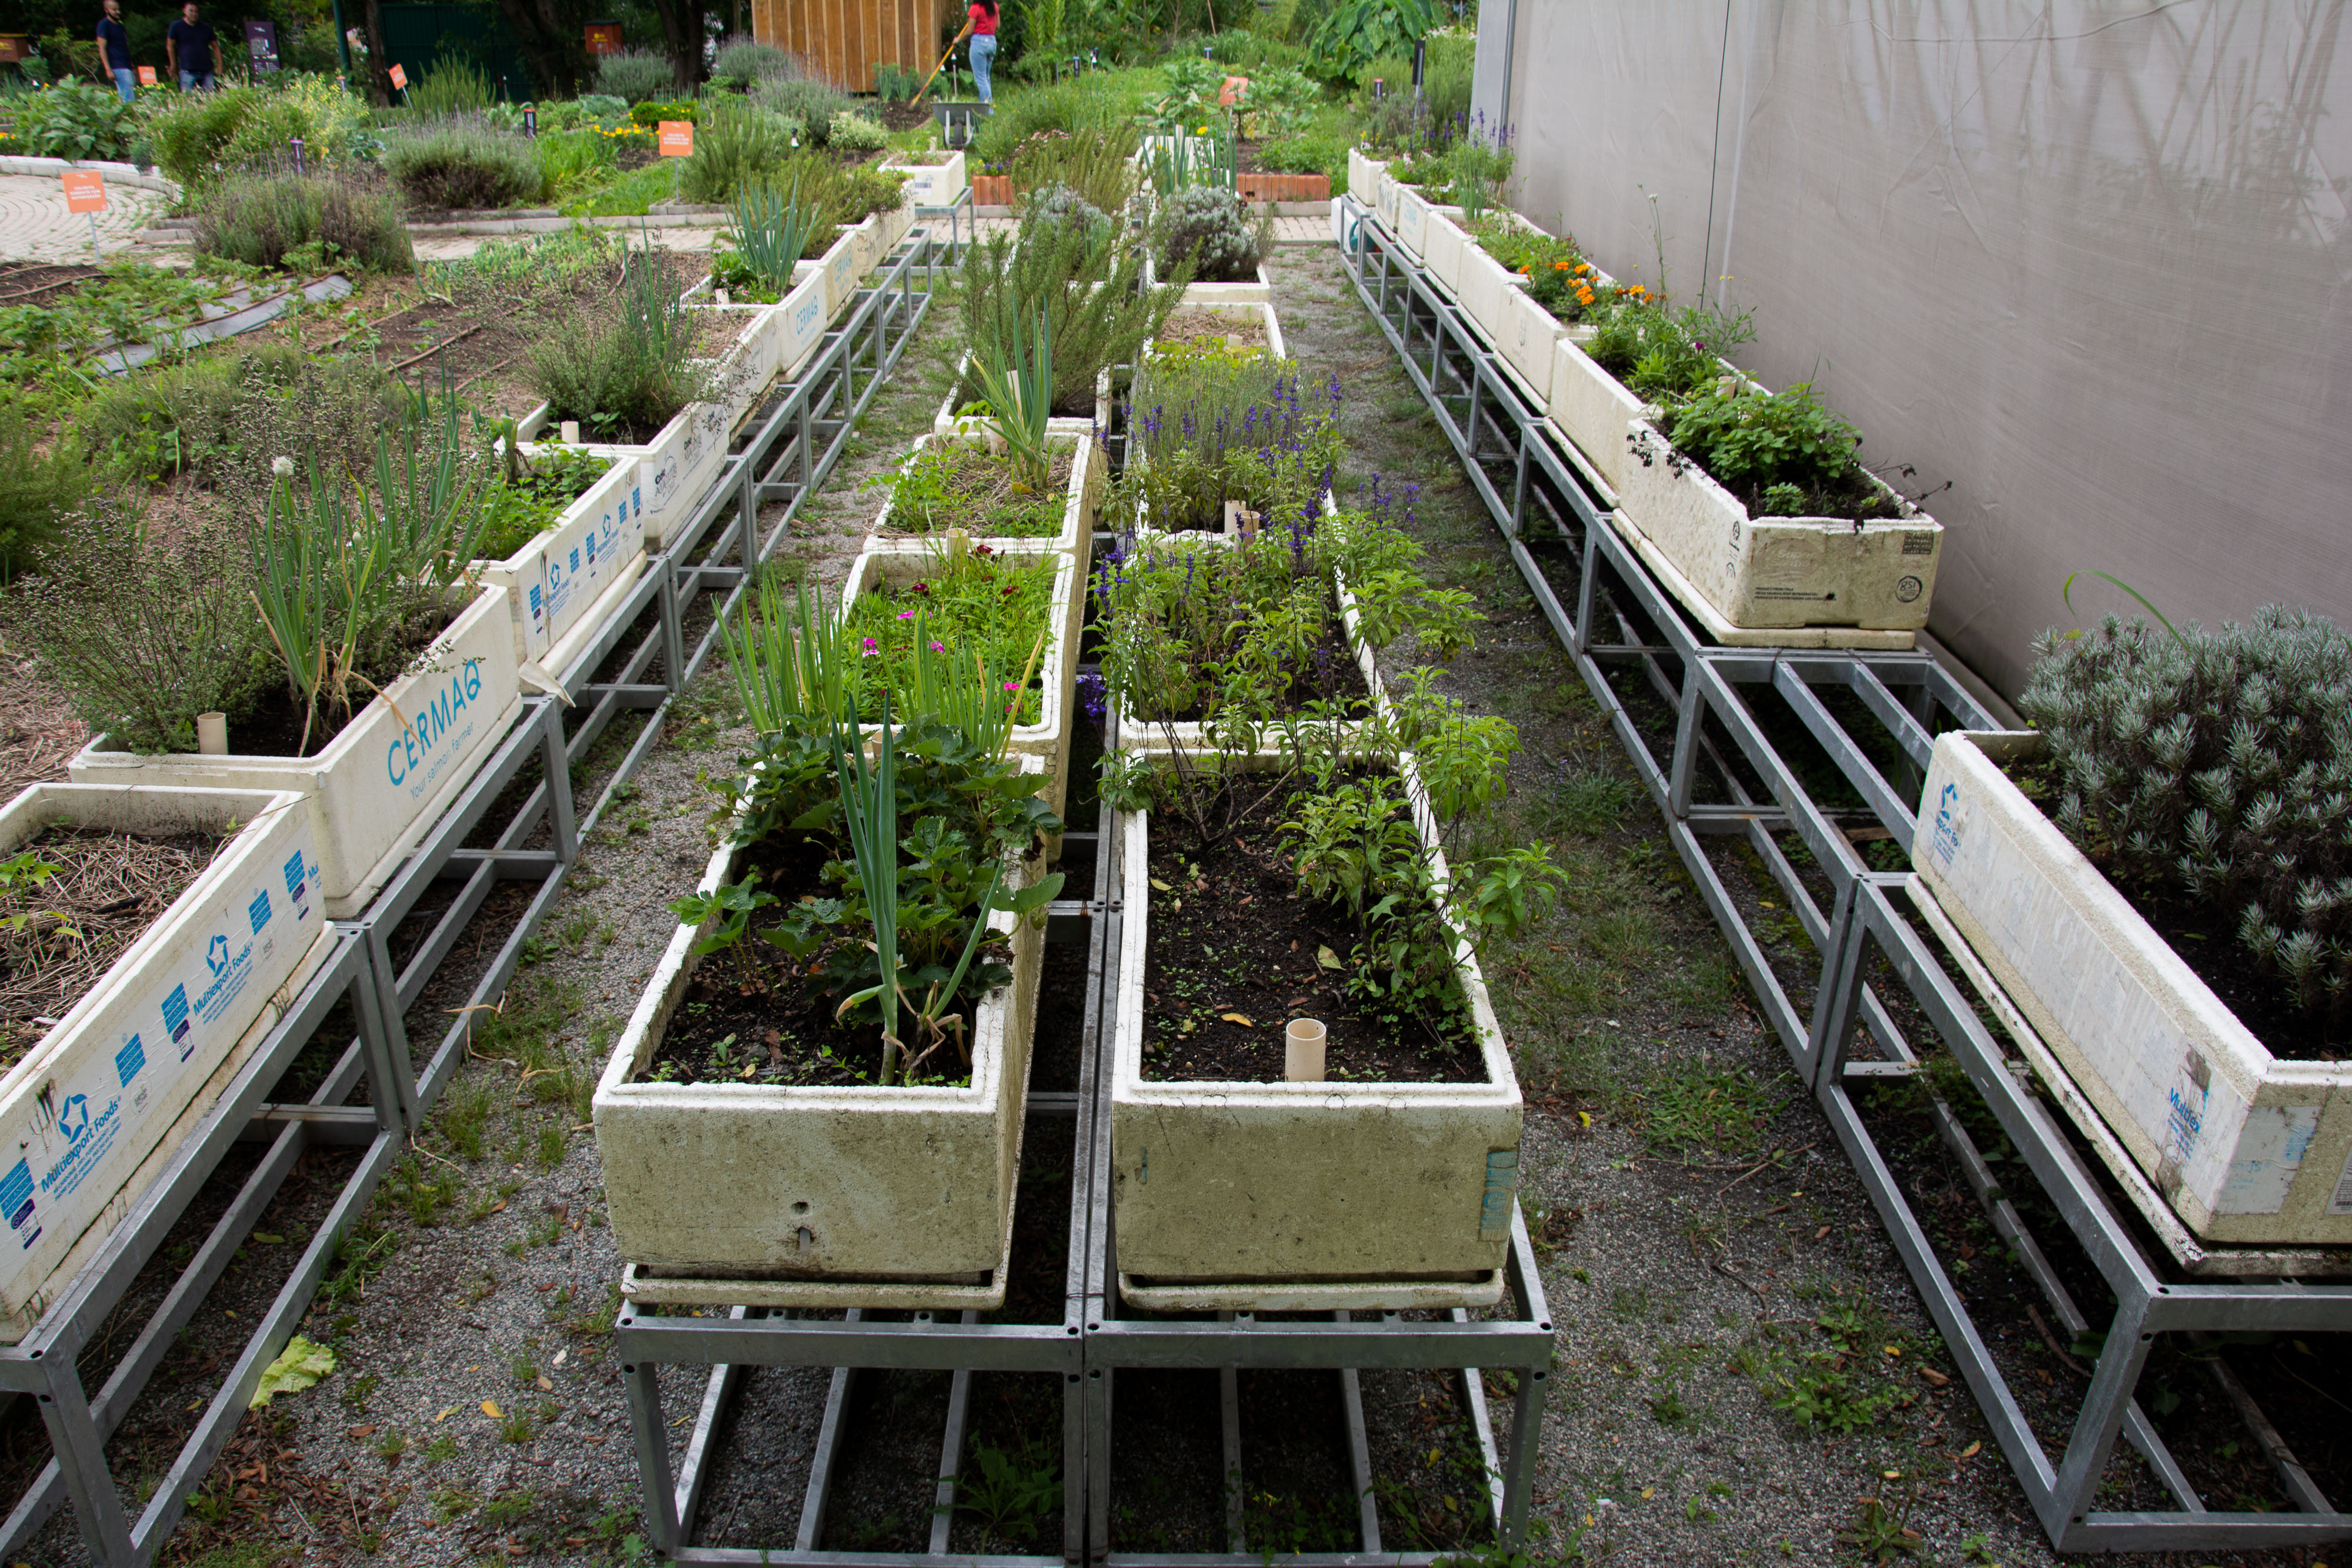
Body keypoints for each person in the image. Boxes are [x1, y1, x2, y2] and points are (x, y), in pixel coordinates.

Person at [951, 0, 997, 106]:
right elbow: (997, 25)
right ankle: (984, 108)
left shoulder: (975, 8)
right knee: (986, 77)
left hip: (979, 43)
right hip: (992, 42)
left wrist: (958, 40)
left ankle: (988, 109)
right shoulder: (994, 6)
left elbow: (969, 31)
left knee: (981, 79)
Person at [166, 1, 220, 91]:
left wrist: (220, 64)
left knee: (212, 100)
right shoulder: (176, 27)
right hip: (187, 71)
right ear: (185, 11)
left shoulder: (206, 28)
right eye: (191, 11)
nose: (194, 14)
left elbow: (216, 46)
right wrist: (173, 65)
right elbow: (170, 46)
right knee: (189, 100)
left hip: (207, 71)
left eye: (196, 12)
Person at [95, 0, 135, 101]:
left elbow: (124, 46)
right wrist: (108, 69)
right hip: (117, 65)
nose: (118, 12)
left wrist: (131, 66)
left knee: (129, 94)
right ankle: (129, 116)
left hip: (126, 65)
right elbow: (102, 48)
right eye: (114, 10)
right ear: (106, 10)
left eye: (118, 9)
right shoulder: (104, 25)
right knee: (127, 98)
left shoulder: (121, 26)